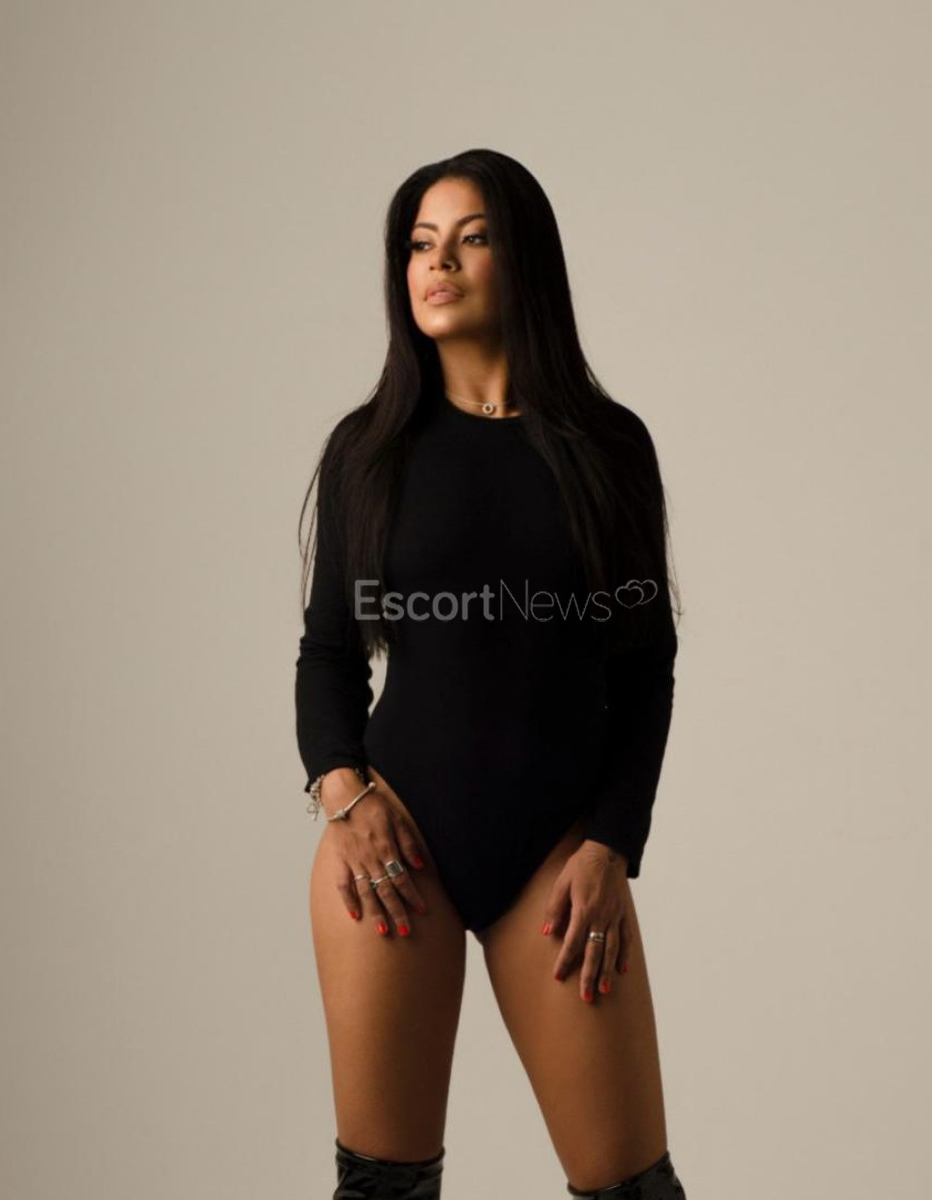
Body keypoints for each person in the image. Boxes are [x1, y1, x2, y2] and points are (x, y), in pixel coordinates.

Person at [295, 149, 687, 1199]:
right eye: (421, 244)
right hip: (392, 852)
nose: (440, 264)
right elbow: (328, 654)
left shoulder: (609, 449)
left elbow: (645, 670)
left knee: (634, 1188)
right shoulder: (369, 451)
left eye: (471, 240)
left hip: (558, 861)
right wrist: (344, 795)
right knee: (382, 1188)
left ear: (525, 262)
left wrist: (611, 844)